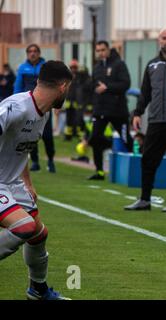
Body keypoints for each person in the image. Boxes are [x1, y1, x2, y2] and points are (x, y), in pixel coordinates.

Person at [0, 60, 72, 300]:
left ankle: (38, 290)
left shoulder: (43, 112)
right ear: (63, 86)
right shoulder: (16, 108)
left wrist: (28, 183)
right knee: (25, 227)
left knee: (38, 235)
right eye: (69, 87)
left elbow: (22, 149)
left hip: (13, 183)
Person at [124, 29, 166, 213]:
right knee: (147, 160)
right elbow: (145, 93)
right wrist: (137, 113)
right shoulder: (151, 65)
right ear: (159, 41)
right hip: (155, 121)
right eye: (164, 38)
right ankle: (145, 200)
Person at [88, 41, 132, 180]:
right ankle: (99, 171)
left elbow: (126, 84)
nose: (100, 52)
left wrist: (107, 87)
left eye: (103, 50)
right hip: (100, 110)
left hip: (118, 110)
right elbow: (93, 86)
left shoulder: (119, 64)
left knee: (126, 140)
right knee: (94, 139)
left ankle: (137, 168)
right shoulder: (97, 67)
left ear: (108, 49)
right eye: (98, 50)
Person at [14, 44, 56, 173]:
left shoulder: (46, 67)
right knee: (30, 135)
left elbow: (54, 86)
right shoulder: (22, 68)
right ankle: (35, 162)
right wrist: (17, 104)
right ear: (27, 54)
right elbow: (18, 87)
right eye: (30, 51)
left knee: (47, 136)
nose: (32, 53)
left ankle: (50, 160)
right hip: (29, 107)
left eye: (35, 51)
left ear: (39, 53)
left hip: (45, 106)